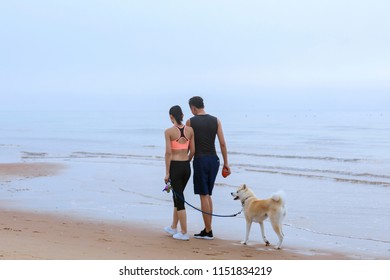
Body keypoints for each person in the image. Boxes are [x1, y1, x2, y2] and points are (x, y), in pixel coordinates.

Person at [186, 96, 230, 240]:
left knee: (203, 195)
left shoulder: (190, 122)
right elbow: (222, 143)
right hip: (214, 161)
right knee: (208, 195)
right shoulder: (216, 120)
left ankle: (209, 231)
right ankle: (207, 228)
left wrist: (185, 160)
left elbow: (189, 146)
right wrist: (226, 163)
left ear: (193, 107)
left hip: (200, 159)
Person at [164, 105, 195, 241]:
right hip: (186, 167)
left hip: (175, 167)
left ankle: (184, 232)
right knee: (177, 197)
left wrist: (167, 173)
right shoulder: (190, 130)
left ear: (171, 117)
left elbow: (168, 153)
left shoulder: (169, 131)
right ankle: (173, 227)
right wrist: (186, 161)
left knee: (180, 199)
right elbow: (192, 150)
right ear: (182, 115)